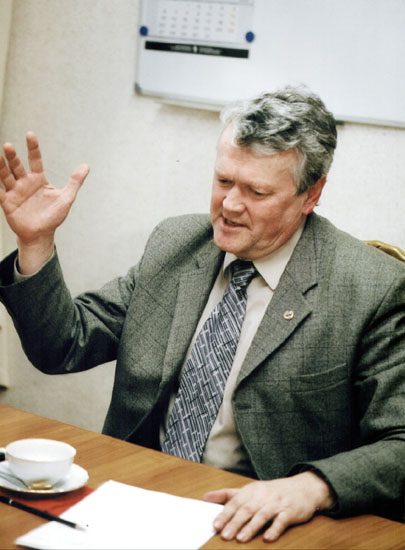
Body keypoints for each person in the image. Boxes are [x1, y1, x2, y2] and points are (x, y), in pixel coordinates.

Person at [0, 86, 404, 543]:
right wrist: (36, 243)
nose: (229, 205)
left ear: (311, 195)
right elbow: (63, 346)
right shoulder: (176, 245)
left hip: (265, 522)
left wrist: (309, 488)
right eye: (224, 181)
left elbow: (400, 442)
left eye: (256, 191)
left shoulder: (371, 287)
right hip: (139, 496)